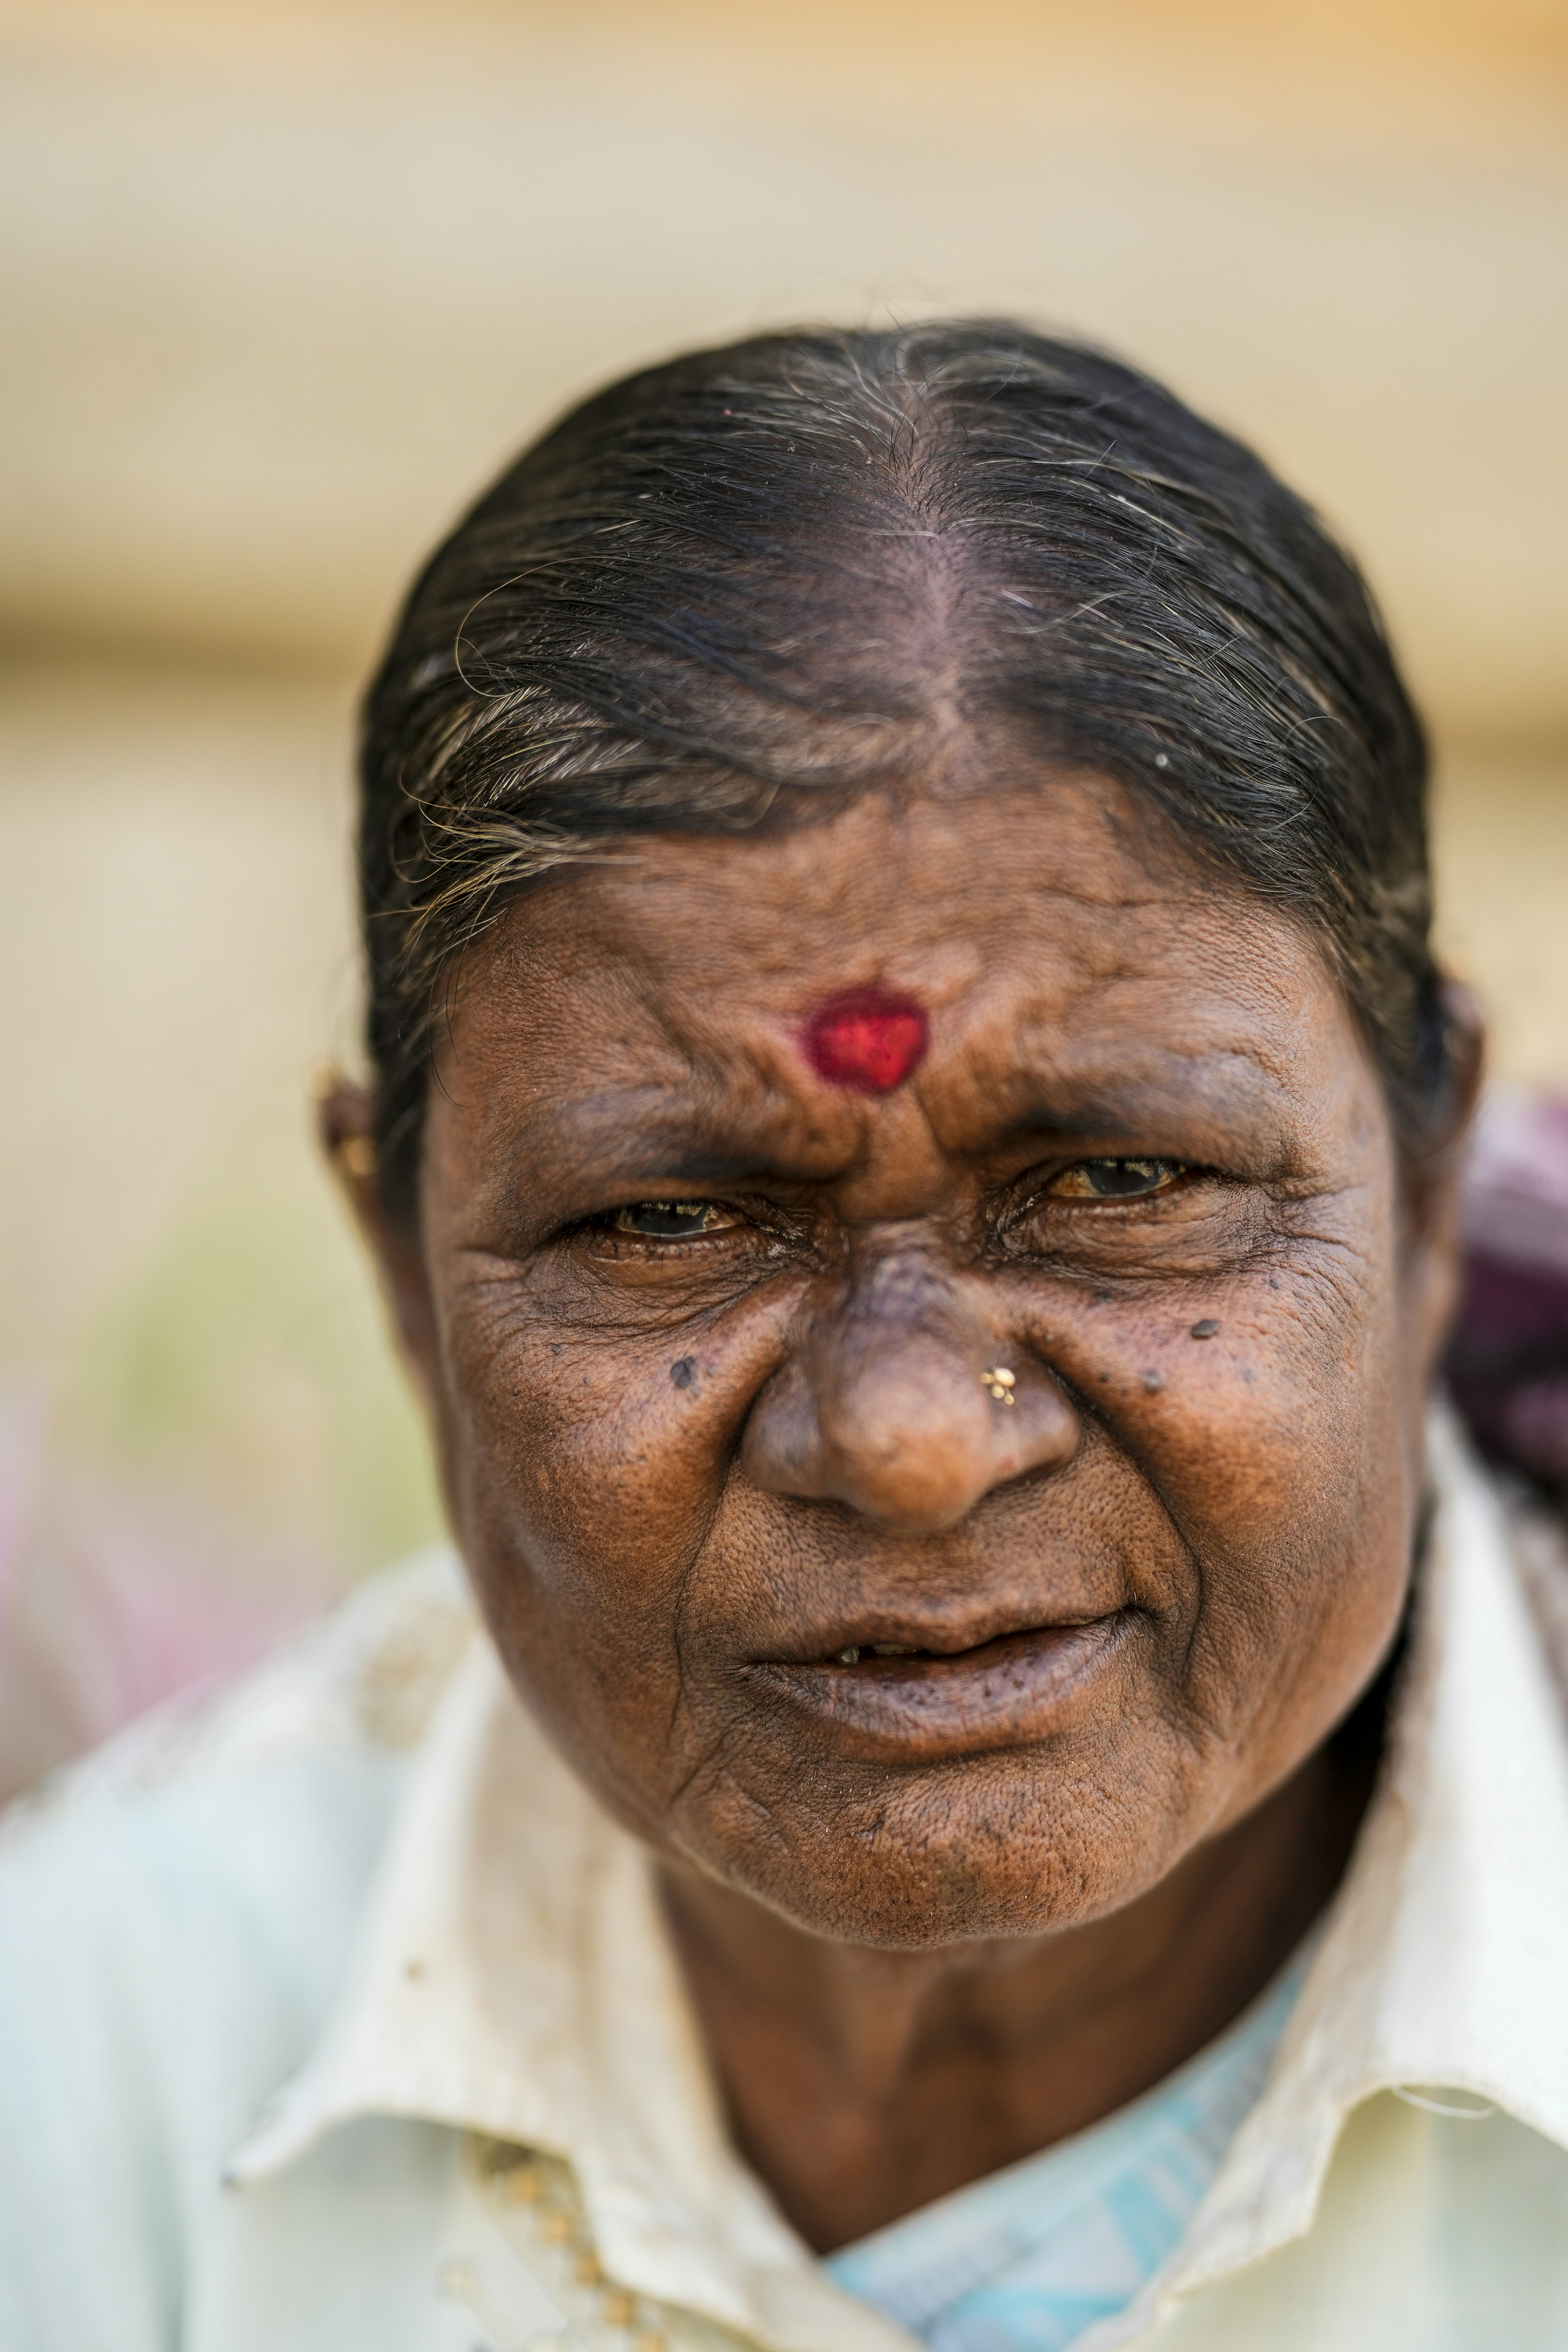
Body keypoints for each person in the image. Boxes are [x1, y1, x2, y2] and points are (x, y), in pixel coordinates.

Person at [3, 323, 1567, 2352]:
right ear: (395, 1257)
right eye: (665, 1222)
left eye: (1118, 1183)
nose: (914, 1439)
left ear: (1430, 1181)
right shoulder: (97, 2057)